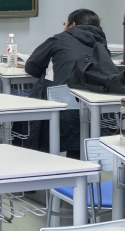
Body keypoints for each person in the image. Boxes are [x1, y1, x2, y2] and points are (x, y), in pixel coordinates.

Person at [23, 9, 108, 157]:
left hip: (61, 108)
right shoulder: (101, 43)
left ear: (72, 25)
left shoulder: (59, 39)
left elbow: (32, 66)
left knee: (44, 87)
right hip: (94, 109)